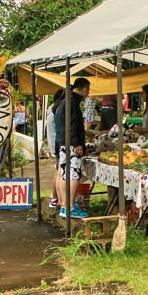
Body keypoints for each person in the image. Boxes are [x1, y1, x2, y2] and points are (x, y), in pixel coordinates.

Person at [54, 77, 90, 218]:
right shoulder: (72, 102)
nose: (88, 92)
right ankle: (70, 206)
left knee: (64, 174)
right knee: (73, 175)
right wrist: (77, 143)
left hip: (63, 143)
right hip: (71, 144)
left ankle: (64, 206)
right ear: (84, 88)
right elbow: (73, 124)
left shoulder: (64, 101)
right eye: (88, 89)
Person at [45, 88, 65, 209]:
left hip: (55, 144)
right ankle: (55, 198)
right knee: (59, 173)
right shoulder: (57, 110)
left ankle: (55, 198)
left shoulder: (52, 109)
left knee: (59, 172)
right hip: (58, 145)